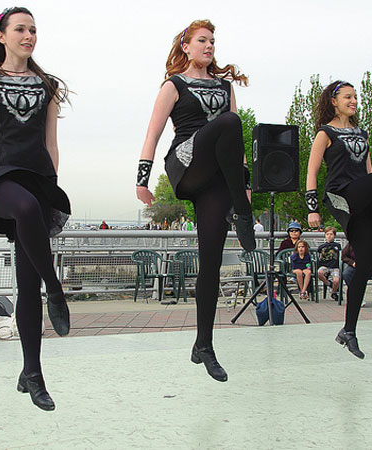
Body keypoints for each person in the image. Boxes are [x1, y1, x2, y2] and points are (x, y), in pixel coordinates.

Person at [0, 7, 71, 410]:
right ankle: (57, 289)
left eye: (34, 30)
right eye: (20, 29)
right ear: (1, 35)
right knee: (22, 208)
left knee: (27, 283)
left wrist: (53, 188)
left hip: (38, 180)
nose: (29, 36)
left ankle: (32, 375)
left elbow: (51, 143)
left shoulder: (47, 85)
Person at [136, 20, 254, 382]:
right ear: (185, 46)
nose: (210, 46)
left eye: (213, 41)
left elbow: (236, 149)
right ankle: (244, 217)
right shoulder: (174, 85)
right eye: (202, 40)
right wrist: (142, 180)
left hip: (218, 177)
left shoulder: (224, 85)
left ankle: (204, 344)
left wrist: (244, 182)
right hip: (186, 163)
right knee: (229, 123)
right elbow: (153, 132)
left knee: (211, 262)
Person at [306, 80, 372, 359]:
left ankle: (348, 330)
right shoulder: (325, 133)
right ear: (334, 101)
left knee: (364, 265)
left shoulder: (362, 134)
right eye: (348, 96)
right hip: (341, 195)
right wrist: (312, 208)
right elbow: (312, 172)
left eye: (355, 97)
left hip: (363, 195)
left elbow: (369, 171)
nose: (353, 101)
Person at [341, 241, 372, 308]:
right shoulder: (351, 243)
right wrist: (352, 263)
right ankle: (356, 296)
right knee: (346, 274)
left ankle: (358, 297)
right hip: (354, 266)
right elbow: (344, 256)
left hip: (367, 267)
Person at [317, 226, 341, 301]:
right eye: (327, 234)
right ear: (325, 235)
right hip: (325, 266)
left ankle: (334, 292)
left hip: (335, 267)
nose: (329, 236)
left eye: (331, 234)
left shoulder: (337, 246)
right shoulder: (321, 247)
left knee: (336, 280)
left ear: (334, 235)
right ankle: (328, 283)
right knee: (319, 273)